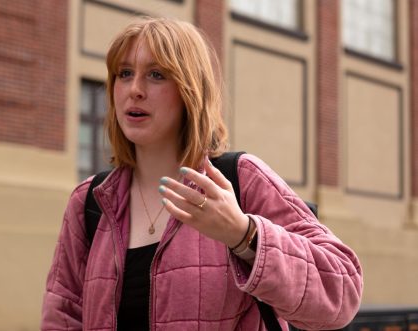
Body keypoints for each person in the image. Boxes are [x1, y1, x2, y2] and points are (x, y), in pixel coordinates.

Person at [41, 17, 363, 330]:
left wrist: (243, 234)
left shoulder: (240, 179)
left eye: (156, 74)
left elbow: (342, 292)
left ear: (190, 91)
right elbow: (62, 318)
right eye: (124, 74)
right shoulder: (89, 203)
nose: (135, 89)